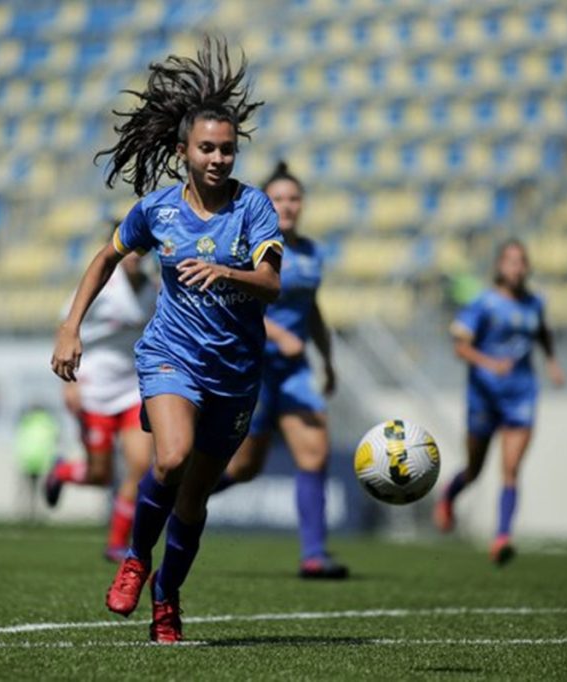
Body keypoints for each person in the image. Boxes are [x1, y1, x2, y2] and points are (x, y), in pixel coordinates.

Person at [50, 37, 281, 644]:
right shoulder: (157, 211)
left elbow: (272, 282)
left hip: (234, 374)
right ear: (183, 152)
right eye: (207, 148)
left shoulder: (254, 209)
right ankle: (134, 558)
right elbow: (106, 258)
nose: (218, 159)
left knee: (194, 501)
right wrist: (71, 325)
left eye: (227, 149)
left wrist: (229, 272)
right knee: (171, 459)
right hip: (170, 357)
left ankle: (167, 597)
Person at [210, 161, 347, 580]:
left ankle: (314, 554)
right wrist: (273, 332)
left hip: (294, 372)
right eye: (277, 199)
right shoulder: (249, 246)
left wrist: (326, 358)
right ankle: (175, 500)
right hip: (252, 369)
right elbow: (232, 298)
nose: (286, 206)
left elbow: (312, 311)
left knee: (315, 453)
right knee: (244, 468)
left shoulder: (311, 253)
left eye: (293, 198)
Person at [434, 239, 566, 565]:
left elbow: (542, 332)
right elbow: (460, 347)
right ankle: (449, 495)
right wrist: (491, 364)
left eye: (521, 262)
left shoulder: (535, 303)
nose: (516, 268)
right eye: (510, 261)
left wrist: (551, 361)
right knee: (475, 470)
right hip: (484, 395)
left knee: (510, 469)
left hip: (521, 394)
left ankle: (502, 536)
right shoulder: (483, 303)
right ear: (499, 267)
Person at [44, 244, 155, 563]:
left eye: (142, 250)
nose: (136, 255)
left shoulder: (155, 289)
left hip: (132, 388)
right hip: (93, 388)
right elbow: (66, 326)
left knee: (139, 466)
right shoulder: (103, 285)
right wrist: (69, 384)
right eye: (130, 249)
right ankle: (64, 471)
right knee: (100, 475)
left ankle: (117, 543)